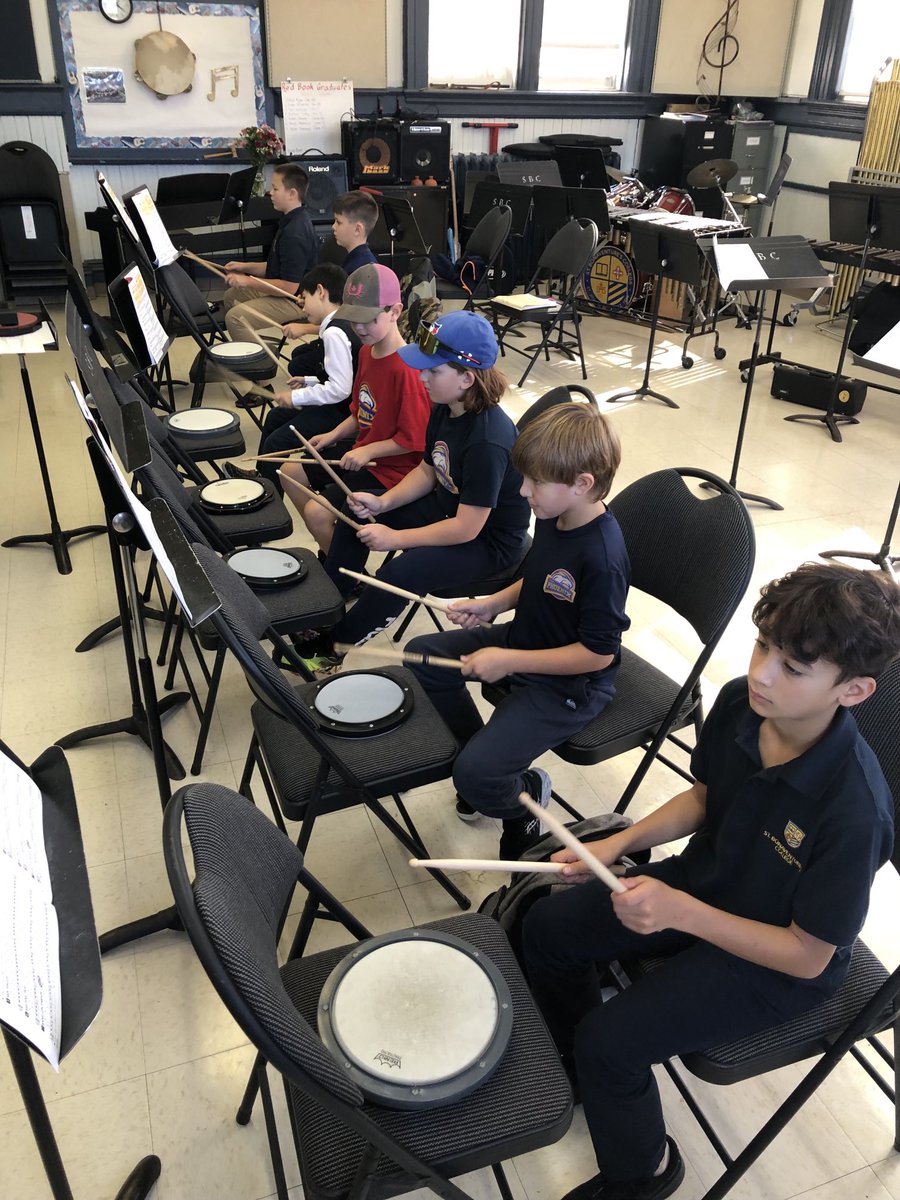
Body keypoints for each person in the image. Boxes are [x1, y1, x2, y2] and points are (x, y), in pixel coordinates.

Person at [521, 561, 900, 1200]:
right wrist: (619, 841)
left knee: (611, 1042)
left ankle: (642, 1173)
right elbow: (705, 797)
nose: (761, 673)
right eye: (763, 646)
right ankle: (588, 1070)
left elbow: (809, 957)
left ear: (854, 691)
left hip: (774, 962)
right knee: (547, 928)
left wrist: (682, 915)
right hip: (706, 883)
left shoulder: (853, 810)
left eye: (793, 668)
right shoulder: (739, 705)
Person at [403, 401, 631, 858]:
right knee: (421, 656)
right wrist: (494, 603)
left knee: (472, 773)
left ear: (582, 485)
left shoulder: (603, 557)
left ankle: (520, 799)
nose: (523, 490)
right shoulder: (554, 513)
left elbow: (598, 654)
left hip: (570, 684)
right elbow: (539, 577)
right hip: (524, 638)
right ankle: (486, 764)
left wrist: (508, 660)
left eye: (535, 482)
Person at [306, 310, 531, 674]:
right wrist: (383, 502)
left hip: (489, 541)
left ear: (466, 378)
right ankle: (326, 611)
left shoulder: (488, 441)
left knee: (403, 573)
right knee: (356, 520)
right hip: (446, 506)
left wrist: (396, 536)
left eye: (433, 370)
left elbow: (466, 529)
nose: (421, 376)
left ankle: (334, 647)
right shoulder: (445, 407)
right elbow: (428, 471)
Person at [278, 262, 430, 554]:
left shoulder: (408, 369)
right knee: (289, 472)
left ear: (394, 312)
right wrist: (334, 435)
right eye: (352, 319)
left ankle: (341, 573)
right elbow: (360, 413)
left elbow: (412, 441)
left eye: (368, 319)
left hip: (393, 470)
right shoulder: (366, 352)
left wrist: (367, 451)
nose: (358, 327)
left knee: (316, 512)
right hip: (363, 451)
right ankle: (333, 550)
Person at [237, 263, 361, 490]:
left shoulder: (334, 331)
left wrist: (297, 398)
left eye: (305, 297)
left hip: (342, 412)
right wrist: (309, 381)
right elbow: (343, 375)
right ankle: (261, 477)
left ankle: (267, 495)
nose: (302, 307)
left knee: (279, 440)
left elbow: (341, 389)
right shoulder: (338, 321)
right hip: (340, 404)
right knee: (275, 416)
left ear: (321, 292)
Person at [222, 162, 318, 338]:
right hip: (287, 292)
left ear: (292, 194)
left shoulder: (295, 232)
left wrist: (248, 281)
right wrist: (244, 267)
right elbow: (276, 266)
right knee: (231, 296)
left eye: (275, 189)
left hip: (297, 301)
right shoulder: (289, 220)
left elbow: (289, 287)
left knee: (235, 318)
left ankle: (258, 363)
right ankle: (244, 342)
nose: (270, 193)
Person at [281, 191, 378, 342]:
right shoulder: (352, 258)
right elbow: (336, 304)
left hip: (349, 343)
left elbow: (347, 323)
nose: (333, 227)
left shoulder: (362, 269)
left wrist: (306, 329)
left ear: (358, 229)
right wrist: (313, 301)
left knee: (300, 363)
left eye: (338, 222)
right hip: (337, 332)